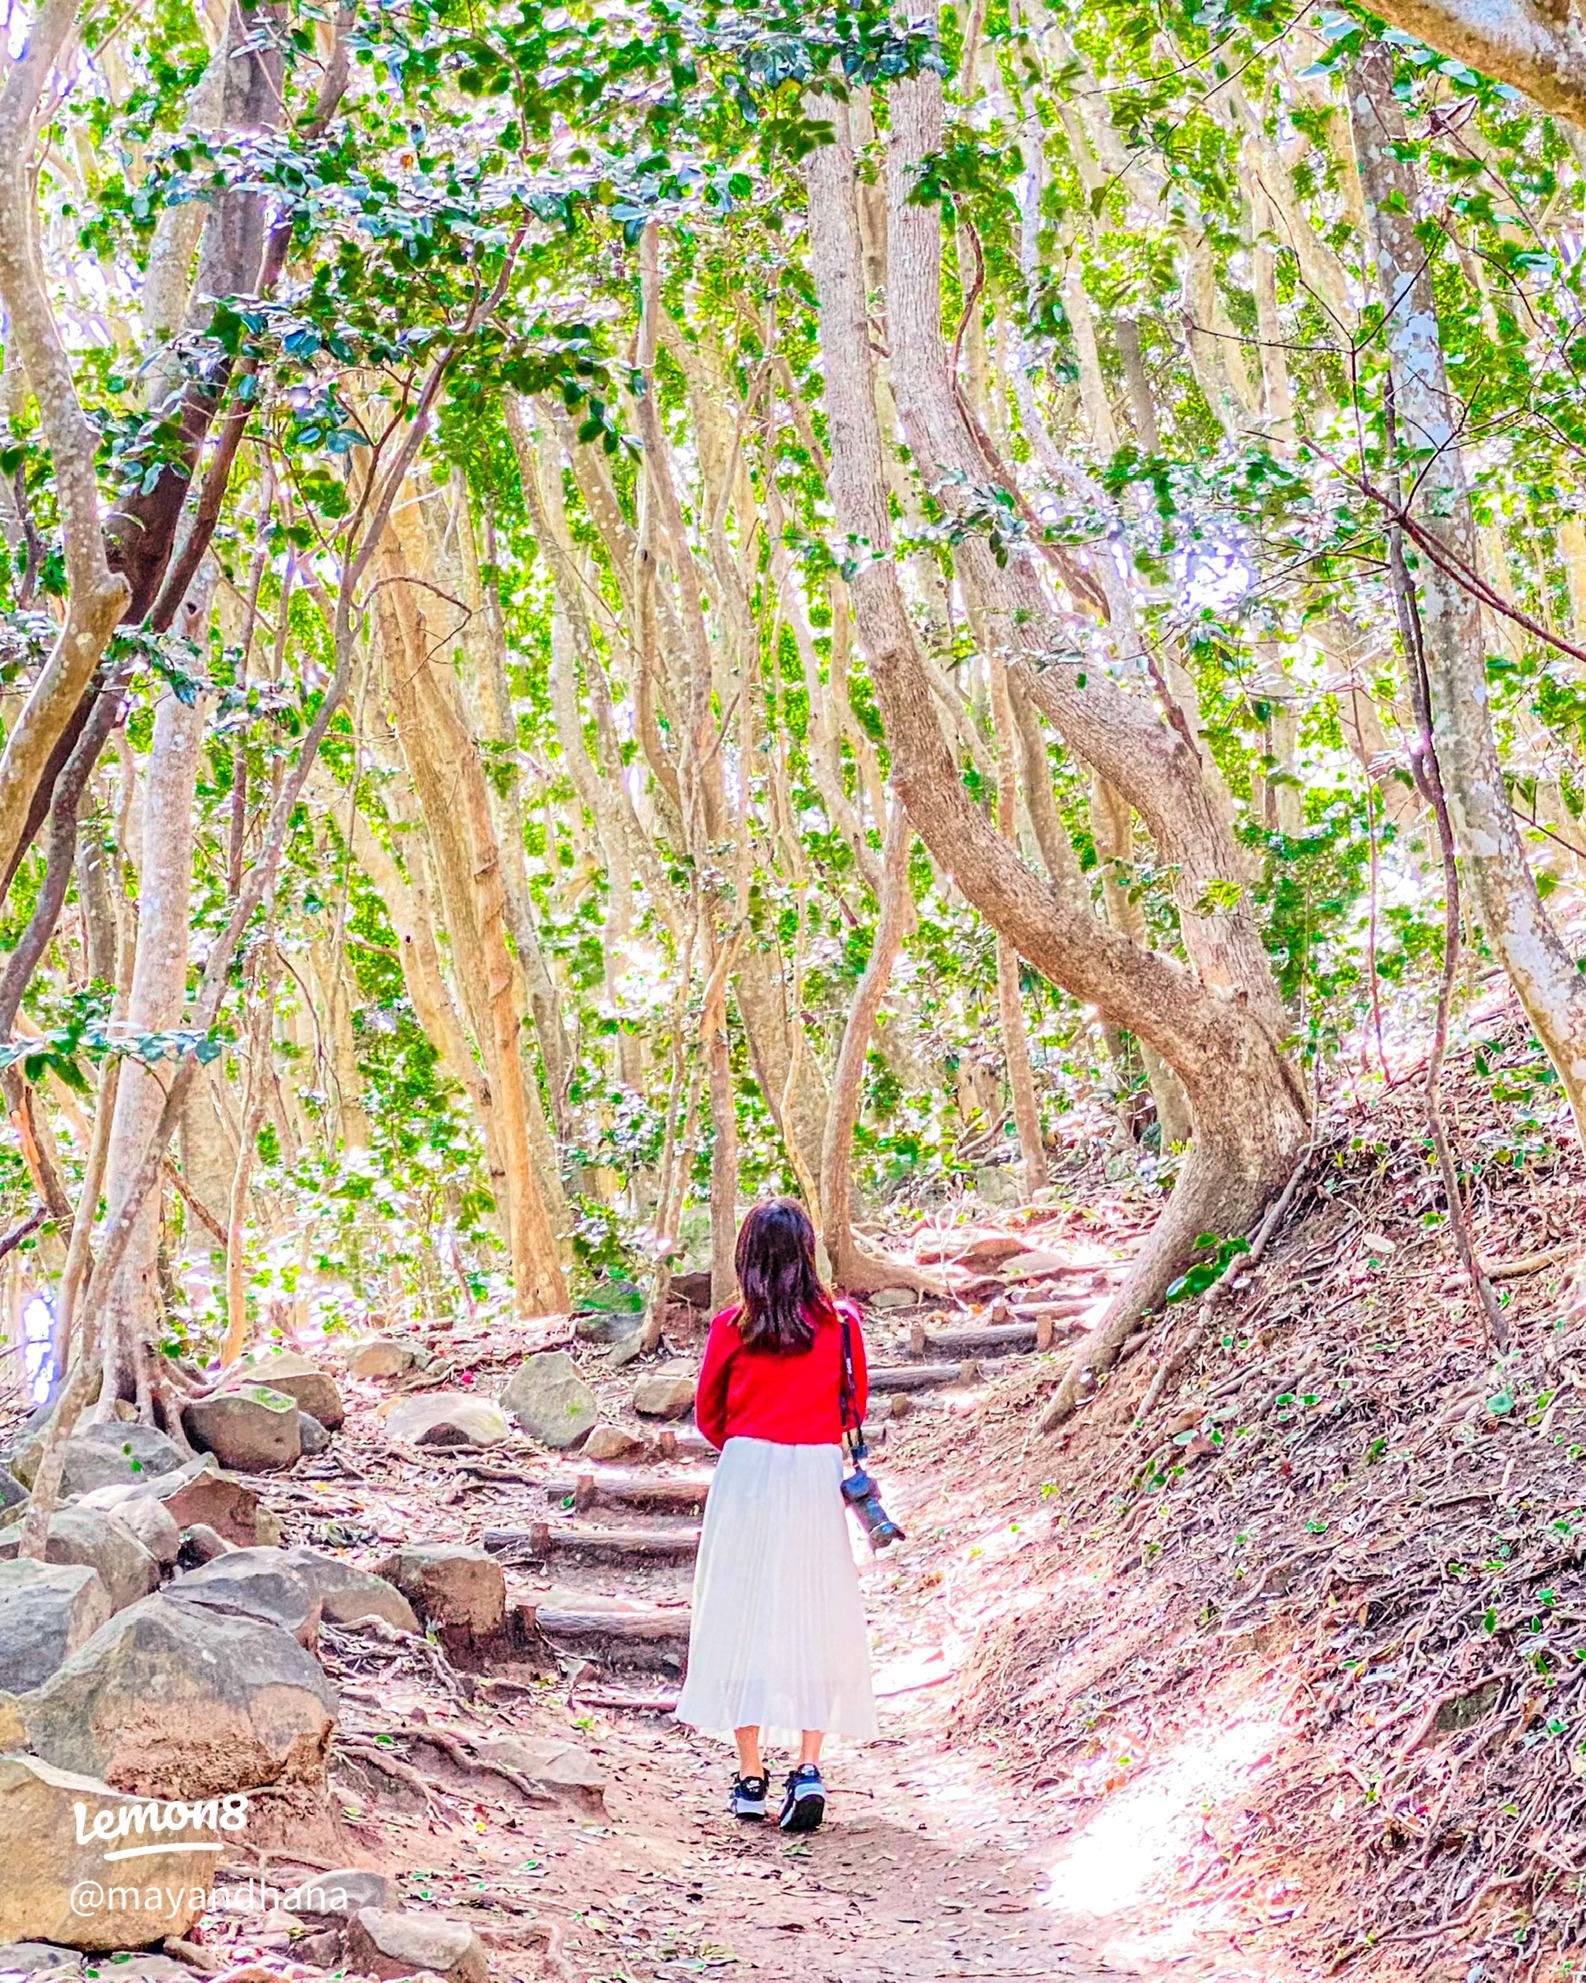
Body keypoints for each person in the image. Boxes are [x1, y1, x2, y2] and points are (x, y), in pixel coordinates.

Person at [675, 1197, 879, 1833]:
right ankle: (810, 1766)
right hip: (815, 1471)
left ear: (748, 1258)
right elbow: (855, 1407)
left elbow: (709, 1414)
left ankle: (749, 1774)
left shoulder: (732, 1328)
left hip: (746, 1473)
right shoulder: (841, 1324)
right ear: (807, 1254)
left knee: (740, 1610)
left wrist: (750, 1445)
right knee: (815, 1607)